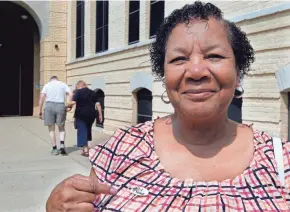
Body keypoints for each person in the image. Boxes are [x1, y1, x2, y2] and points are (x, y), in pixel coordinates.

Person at [46, 2, 290, 211]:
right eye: (179, 59)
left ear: (238, 72)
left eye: (214, 56)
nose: (195, 71)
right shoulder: (123, 150)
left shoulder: (281, 164)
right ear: (164, 75)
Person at [68, 80, 103, 157]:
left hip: (81, 114)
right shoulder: (93, 92)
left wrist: (67, 106)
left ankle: (86, 151)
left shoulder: (78, 92)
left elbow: (73, 102)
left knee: (82, 131)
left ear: (79, 86)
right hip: (91, 115)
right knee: (87, 130)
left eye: (77, 87)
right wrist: (100, 115)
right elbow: (98, 104)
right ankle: (85, 149)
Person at [39, 76, 73, 156]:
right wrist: (69, 105)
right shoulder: (63, 84)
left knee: (51, 129)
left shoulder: (47, 85)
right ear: (57, 79)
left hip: (49, 105)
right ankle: (62, 144)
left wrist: (40, 111)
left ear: (51, 80)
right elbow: (71, 94)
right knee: (61, 127)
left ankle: (54, 149)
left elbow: (41, 98)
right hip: (60, 105)